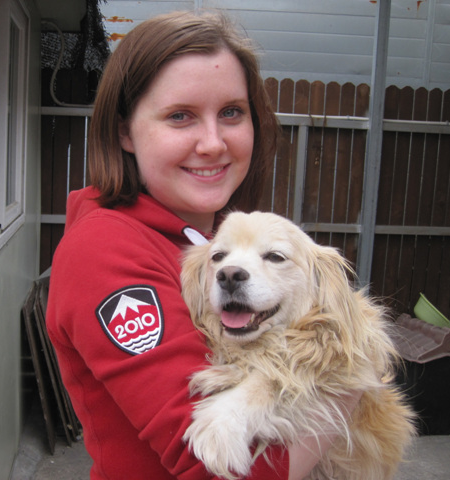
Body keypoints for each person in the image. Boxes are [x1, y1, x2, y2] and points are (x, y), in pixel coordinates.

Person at [46, 10, 358, 480]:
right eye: (180, 116)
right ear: (125, 131)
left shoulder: (202, 239)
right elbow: (218, 465)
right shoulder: (105, 250)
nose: (213, 143)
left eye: (231, 112)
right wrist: (349, 387)